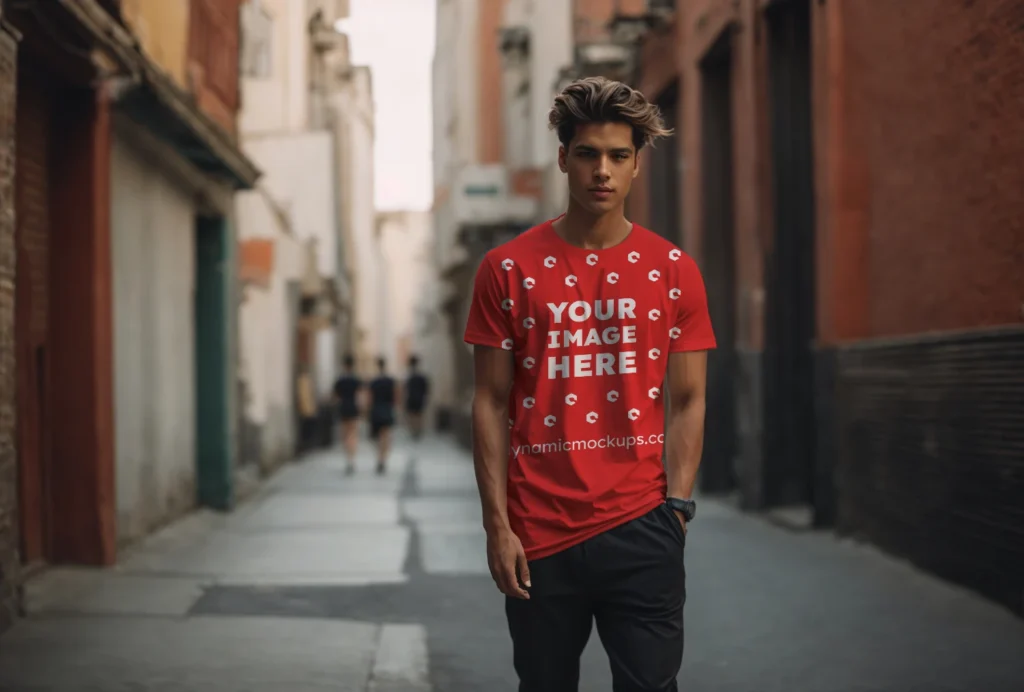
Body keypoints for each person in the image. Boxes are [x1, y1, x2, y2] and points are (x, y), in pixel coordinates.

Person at [463, 76, 716, 692]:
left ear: (636, 165)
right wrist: (498, 527)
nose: (602, 171)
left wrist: (676, 509)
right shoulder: (507, 269)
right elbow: (491, 402)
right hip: (537, 533)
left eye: (618, 156)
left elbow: (688, 399)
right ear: (563, 159)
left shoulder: (673, 270)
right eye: (587, 154)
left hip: (642, 524)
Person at [332, 354, 362, 474]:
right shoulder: (356, 379)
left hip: (343, 408)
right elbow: (360, 395)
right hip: (353, 408)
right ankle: (351, 458)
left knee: (345, 434)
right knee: (353, 434)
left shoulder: (340, 380)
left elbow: (335, 396)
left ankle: (348, 458)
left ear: (344, 365)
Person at [368, 356, 397, 475]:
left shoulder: (373, 381)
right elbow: (396, 396)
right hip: (387, 409)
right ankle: (383, 458)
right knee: (386, 435)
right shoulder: (390, 381)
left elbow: (369, 398)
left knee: (378, 437)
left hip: (376, 410)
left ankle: (380, 457)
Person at [403, 355, 430, 440]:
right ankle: (417, 430)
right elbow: (426, 389)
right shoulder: (421, 376)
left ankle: (414, 430)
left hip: (412, 398)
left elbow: (406, 389)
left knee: (412, 416)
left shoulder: (409, 376)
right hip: (419, 398)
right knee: (418, 415)